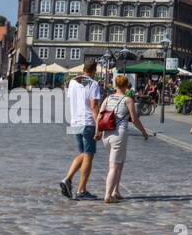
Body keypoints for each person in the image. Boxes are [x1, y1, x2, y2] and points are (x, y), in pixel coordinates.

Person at [96, 74, 151, 203]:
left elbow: (99, 116)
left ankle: (116, 191)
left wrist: (97, 131)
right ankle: (108, 195)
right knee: (114, 166)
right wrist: (143, 132)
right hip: (118, 135)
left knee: (119, 163)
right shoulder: (128, 100)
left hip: (107, 135)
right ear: (127, 86)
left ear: (116, 85)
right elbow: (135, 119)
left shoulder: (108, 98)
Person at [60, 61, 102, 200]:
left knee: (83, 154)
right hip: (88, 123)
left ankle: (67, 180)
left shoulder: (72, 82)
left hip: (75, 122)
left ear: (83, 69)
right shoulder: (93, 84)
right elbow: (94, 106)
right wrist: (98, 127)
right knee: (88, 156)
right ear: (94, 70)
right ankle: (81, 190)